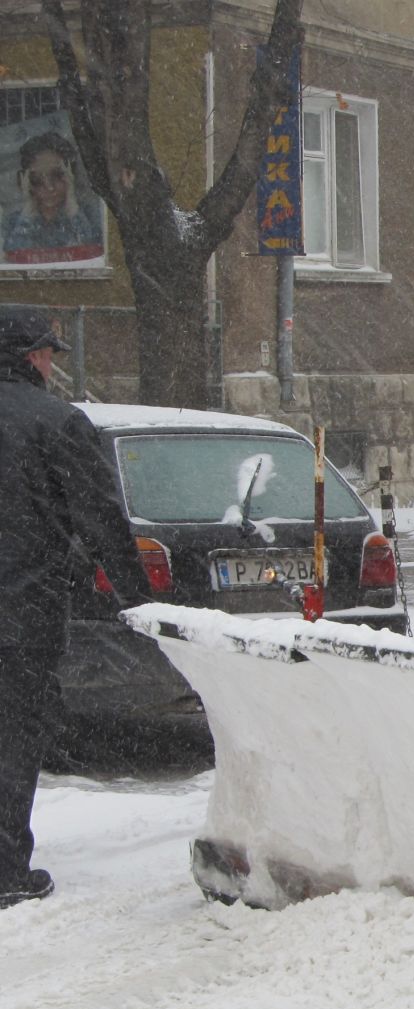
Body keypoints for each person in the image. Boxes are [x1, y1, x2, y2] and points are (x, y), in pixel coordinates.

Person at [0, 305, 149, 910]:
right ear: (29, 358)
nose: (49, 363)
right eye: (45, 353)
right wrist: (142, 602)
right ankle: (8, 865)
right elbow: (103, 521)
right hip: (22, 616)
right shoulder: (57, 423)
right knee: (14, 736)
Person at [3, 132, 102, 264]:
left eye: (57, 175)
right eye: (37, 179)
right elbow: (11, 262)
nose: (49, 187)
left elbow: (94, 256)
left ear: (70, 174)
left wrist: (72, 209)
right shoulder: (13, 222)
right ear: (25, 181)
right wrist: (28, 212)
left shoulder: (90, 215)